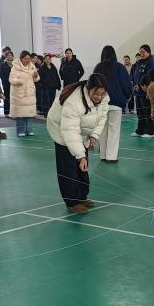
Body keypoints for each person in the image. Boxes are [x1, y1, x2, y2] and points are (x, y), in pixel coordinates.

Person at [47, 74, 110, 214]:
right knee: (68, 168)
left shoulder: (104, 97)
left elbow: (102, 117)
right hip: (62, 130)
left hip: (81, 130)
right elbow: (69, 130)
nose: (99, 97)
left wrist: (94, 135)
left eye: (102, 93)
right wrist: (80, 155)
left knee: (82, 167)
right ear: (88, 89)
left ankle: (81, 197)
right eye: (96, 93)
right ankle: (72, 202)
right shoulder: (74, 102)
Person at [94, 46, 132, 162]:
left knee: (102, 130)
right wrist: (126, 97)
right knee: (114, 131)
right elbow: (126, 84)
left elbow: (93, 85)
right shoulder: (120, 67)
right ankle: (111, 157)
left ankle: (103, 155)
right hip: (116, 103)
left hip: (101, 103)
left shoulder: (98, 67)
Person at [8, 50, 40, 138]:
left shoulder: (32, 66)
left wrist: (36, 75)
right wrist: (18, 81)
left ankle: (29, 130)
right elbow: (11, 79)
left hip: (30, 93)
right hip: (19, 93)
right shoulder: (15, 67)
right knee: (21, 114)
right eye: (25, 58)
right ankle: (21, 130)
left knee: (29, 113)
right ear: (21, 58)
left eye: (29, 58)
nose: (27, 60)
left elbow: (36, 79)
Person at [132, 45, 154, 138]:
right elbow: (136, 75)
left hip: (146, 91)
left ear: (148, 52)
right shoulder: (139, 62)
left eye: (143, 52)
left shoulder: (151, 63)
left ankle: (150, 131)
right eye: (140, 52)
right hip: (138, 92)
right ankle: (140, 130)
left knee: (147, 112)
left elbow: (149, 77)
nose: (141, 54)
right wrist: (135, 84)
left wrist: (140, 85)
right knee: (140, 112)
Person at [37, 54, 60, 119]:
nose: (47, 60)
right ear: (44, 60)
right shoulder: (42, 68)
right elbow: (39, 78)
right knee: (46, 100)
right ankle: (46, 113)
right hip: (45, 87)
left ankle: (51, 113)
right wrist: (43, 84)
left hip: (53, 86)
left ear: (50, 60)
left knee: (52, 100)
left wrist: (58, 84)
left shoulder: (53, 67)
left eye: (49, 59)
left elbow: (56, 76)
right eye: (46, 59)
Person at [0, 47, 15, 116]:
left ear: (13, 56)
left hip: (14, 83)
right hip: (6, 83)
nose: (10, 56)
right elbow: (1, 74)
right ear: (6, 56)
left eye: (11, 55)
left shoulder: (15, 64)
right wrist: (5, 80)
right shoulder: (3, 64)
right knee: (7, 97)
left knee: (14, 97)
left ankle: (13, 111)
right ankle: (7, 111)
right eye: (8, 55)